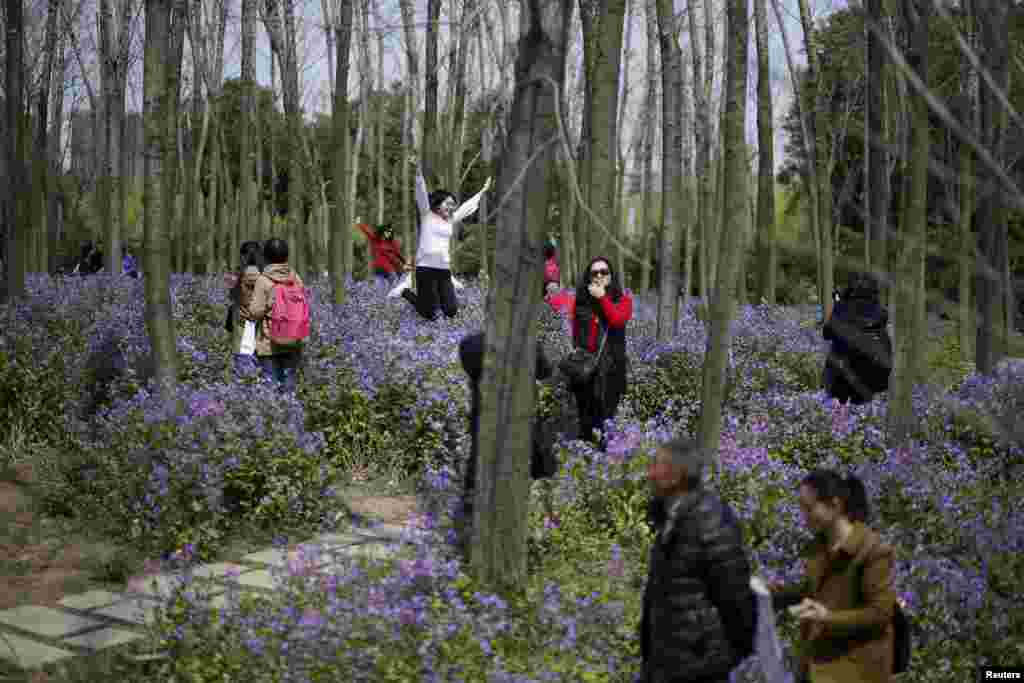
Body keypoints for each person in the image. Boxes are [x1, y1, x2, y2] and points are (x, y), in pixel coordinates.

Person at [641, 437, 757, 683]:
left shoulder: (709, 521)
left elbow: (735, 597)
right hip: (669, 664)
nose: (649, 473)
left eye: (656, 466)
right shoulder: (669, 517)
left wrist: (730, 653)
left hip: (700, 665)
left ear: (678, 475)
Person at [769, 470, 897, 683]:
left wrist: (827, 618)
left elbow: (880, 613)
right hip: (815, 665)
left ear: (835, 505)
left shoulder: (873, 550)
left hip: (854, 671)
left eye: (809, 509)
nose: (804, 517)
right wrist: (769, 593)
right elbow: (816, 591)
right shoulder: (819, 546)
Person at [456, 332, 555, 554]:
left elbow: (469, 360)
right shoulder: (528, 344)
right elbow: (546, 370)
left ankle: (469, 542)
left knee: (476, 485)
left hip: (484, 428)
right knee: (539, 477)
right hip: (521, 428)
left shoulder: (474, 344)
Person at [401, 155, 491, 320]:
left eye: (452, 204)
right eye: (447, 203)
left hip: (443, 269)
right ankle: (407, 294)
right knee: (430, 313)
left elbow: (466, 208)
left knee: (450, 310)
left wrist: (483, 191)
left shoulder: (450, 220)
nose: (451, 207)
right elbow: (421, 193)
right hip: (425, 268)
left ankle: (418, 299)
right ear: (437, 204)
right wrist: (418, 172)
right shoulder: (426, 215)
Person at [567, 256, 633, 447]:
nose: (599, 276)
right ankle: (585, 462)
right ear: (589, 277)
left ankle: (604, 458)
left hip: (612, 369)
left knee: (606, 420)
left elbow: (617, 320)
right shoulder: (581, 302)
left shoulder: (623, 301)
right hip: (586, 369)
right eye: (594, 272)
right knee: (586, 421)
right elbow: (576, 335)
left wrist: (602, 298)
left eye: (604, 272)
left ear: (611, 276)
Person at [247, 238, 307, 393]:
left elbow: (254, 311)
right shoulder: (295, 278)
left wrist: (268, 307)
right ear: (286, 256)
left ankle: (274, 415)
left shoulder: (263, 280)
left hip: (269, 343)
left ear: (266, 257)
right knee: (289, 387)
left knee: (270, 388)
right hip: (294, 341)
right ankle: (290, 414)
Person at [823, 272, 892, 404]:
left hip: (842, 383)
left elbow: (826, 334)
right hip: (876, 381)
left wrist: (838, 303)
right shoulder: (882, 312)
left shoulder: (842, 308)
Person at [227, 241, 265, 378]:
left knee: (243, 358)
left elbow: (233, 295)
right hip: (261, 321)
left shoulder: (239, 273)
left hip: (243, 320)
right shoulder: (264, 273)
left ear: (242, 255)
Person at [357, 221, 407, 287]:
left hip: (389, 269)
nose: (388, 233)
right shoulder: (375, 239)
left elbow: (397, 254)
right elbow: (367, 232)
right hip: (378, 269)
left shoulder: (392, 243)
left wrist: (404, 263)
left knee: (394, 286)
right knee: (379, 287)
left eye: (390, 232)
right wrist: (359, 224)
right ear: (383, 231)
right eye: (387, 231)